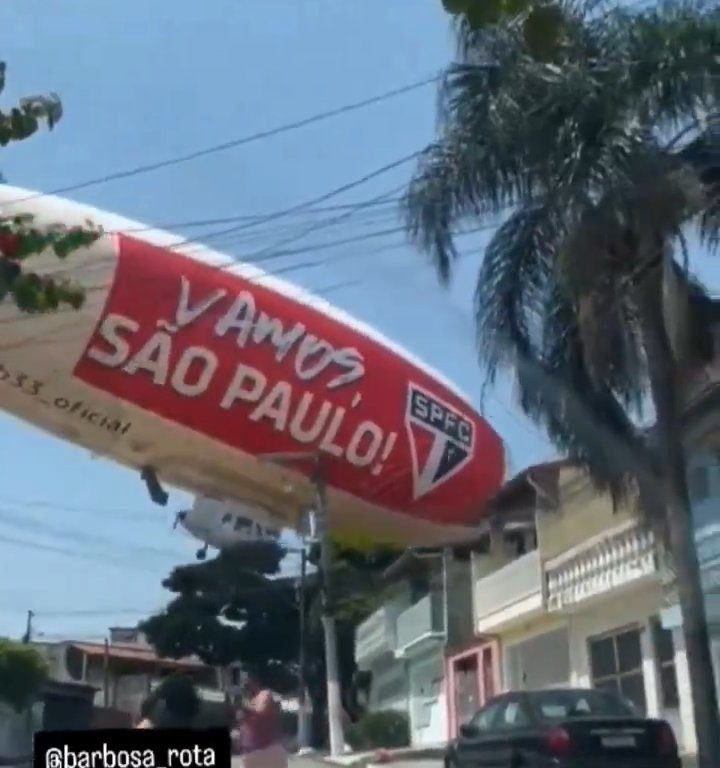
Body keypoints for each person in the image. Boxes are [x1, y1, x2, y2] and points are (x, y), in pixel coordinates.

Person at [235, 666, 288, 768]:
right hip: (253, 753)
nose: (243, 684)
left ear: (255, 680)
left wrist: (244, 709)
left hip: (266, 751)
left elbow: (260, 713)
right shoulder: (250, 700)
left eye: (246, 680)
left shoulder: (265, 695)